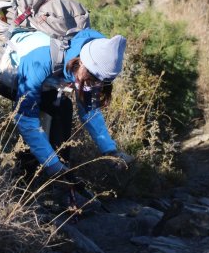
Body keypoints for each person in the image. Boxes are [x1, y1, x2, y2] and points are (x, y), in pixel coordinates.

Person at [9, 27, 133, 185]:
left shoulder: (93, 64)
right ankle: (22, 183)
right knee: (43, 115)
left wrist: (110, 150)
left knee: (63, 108)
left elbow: (90, 111)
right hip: (10, 76)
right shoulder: (42, 58)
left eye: (102, 82)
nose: (94, 85)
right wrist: (53, 165)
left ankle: (61, 180)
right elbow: (25, 119)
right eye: (92, 79)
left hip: (44, 84)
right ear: (81, 62)